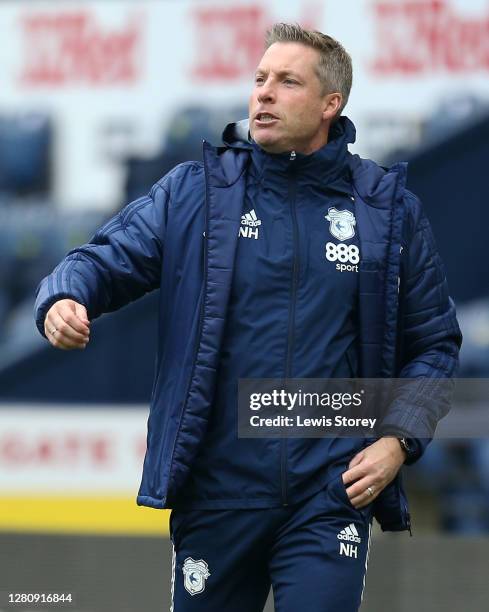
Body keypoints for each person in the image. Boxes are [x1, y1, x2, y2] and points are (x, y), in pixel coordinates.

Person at [35, 23, 461, 612]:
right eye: (260, 79)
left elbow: (435, 343)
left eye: (287, 82)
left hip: (328, 491)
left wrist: (397, 440)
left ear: (329, 105)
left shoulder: (386, 210)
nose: (263, 93)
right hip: (217, 493)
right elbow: (104, 258)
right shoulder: (196, 194)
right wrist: (64, 298)